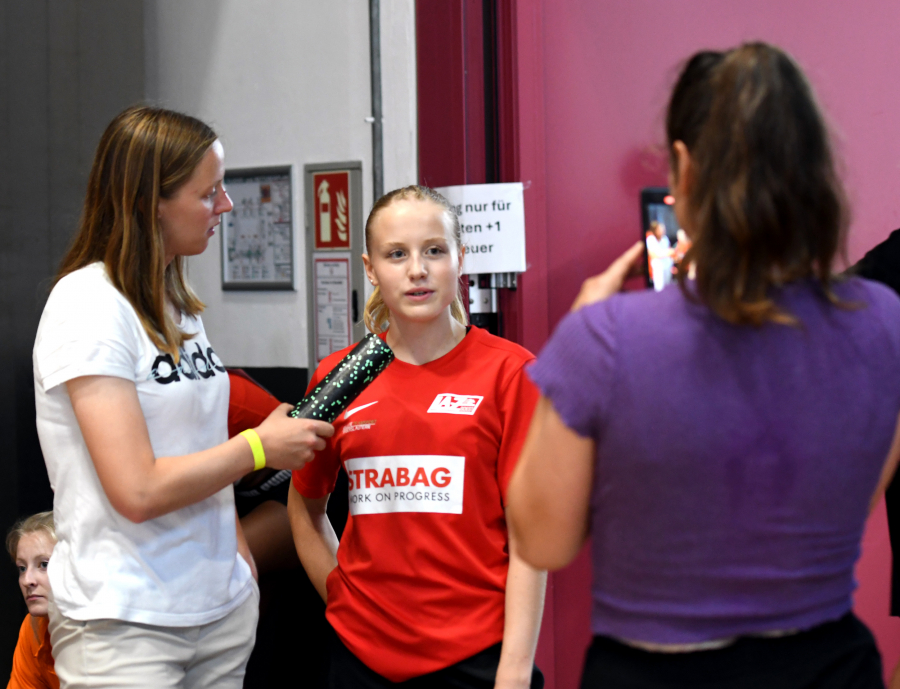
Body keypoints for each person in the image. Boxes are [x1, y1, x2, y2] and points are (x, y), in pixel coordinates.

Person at [507, 44, 900, 688]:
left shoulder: (606, 338)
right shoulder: (883, 322)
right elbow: (855, 497)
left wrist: (572, 341)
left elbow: (542, 541)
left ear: (683, 170)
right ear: (816, 171)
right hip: (830, 668)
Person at [32, 105, 333, 689]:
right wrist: (259, 447)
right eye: (209, 192)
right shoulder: (88, 305)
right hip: (126, 621)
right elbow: (138, 489)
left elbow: (194, 444)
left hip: (214, 611)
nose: (225, 205)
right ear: (151, 203)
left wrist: (235, 562)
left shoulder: (174, 300)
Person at [288, 185, 547, 689]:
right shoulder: (338, 377)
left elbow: (531, 542)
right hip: (360, 658)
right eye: (396, 254)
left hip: (479, 657)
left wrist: (514, 670)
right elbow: (304, 506)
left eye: (434, 250)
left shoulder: (512, 374)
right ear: (370, 268)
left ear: (460, 258)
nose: (417, 270)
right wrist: (342, 596)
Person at [6, 512, 58, 689]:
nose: (27, 580)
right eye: (22, 568)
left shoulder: (106, 625)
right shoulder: (33, 627)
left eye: (44, 564)